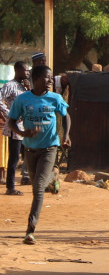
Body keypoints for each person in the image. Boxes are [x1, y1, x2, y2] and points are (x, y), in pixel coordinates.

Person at [8, 66, 70, 245]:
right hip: (29, 149)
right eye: (47, 78)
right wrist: (23, 133)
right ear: (35, 79)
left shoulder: (55, 98)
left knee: (38, 187)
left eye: (51, 78)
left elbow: (66, 116)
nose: (50, 81)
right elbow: (11, 122)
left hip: (49, 147)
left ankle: (30, 230)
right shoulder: (22, 99)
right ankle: (54, 176)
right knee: (39, 186)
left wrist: (66, 135)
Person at [1, 61, 30, 195]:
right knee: (14, 157)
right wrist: (9, 114)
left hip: (26, 125)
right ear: (18, 70)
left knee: (28, 154)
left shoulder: (24, 87)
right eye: (25, 70)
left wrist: (29, 89)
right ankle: (10, 186)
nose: (28, 73)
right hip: (15, 126)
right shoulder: (10, 85)